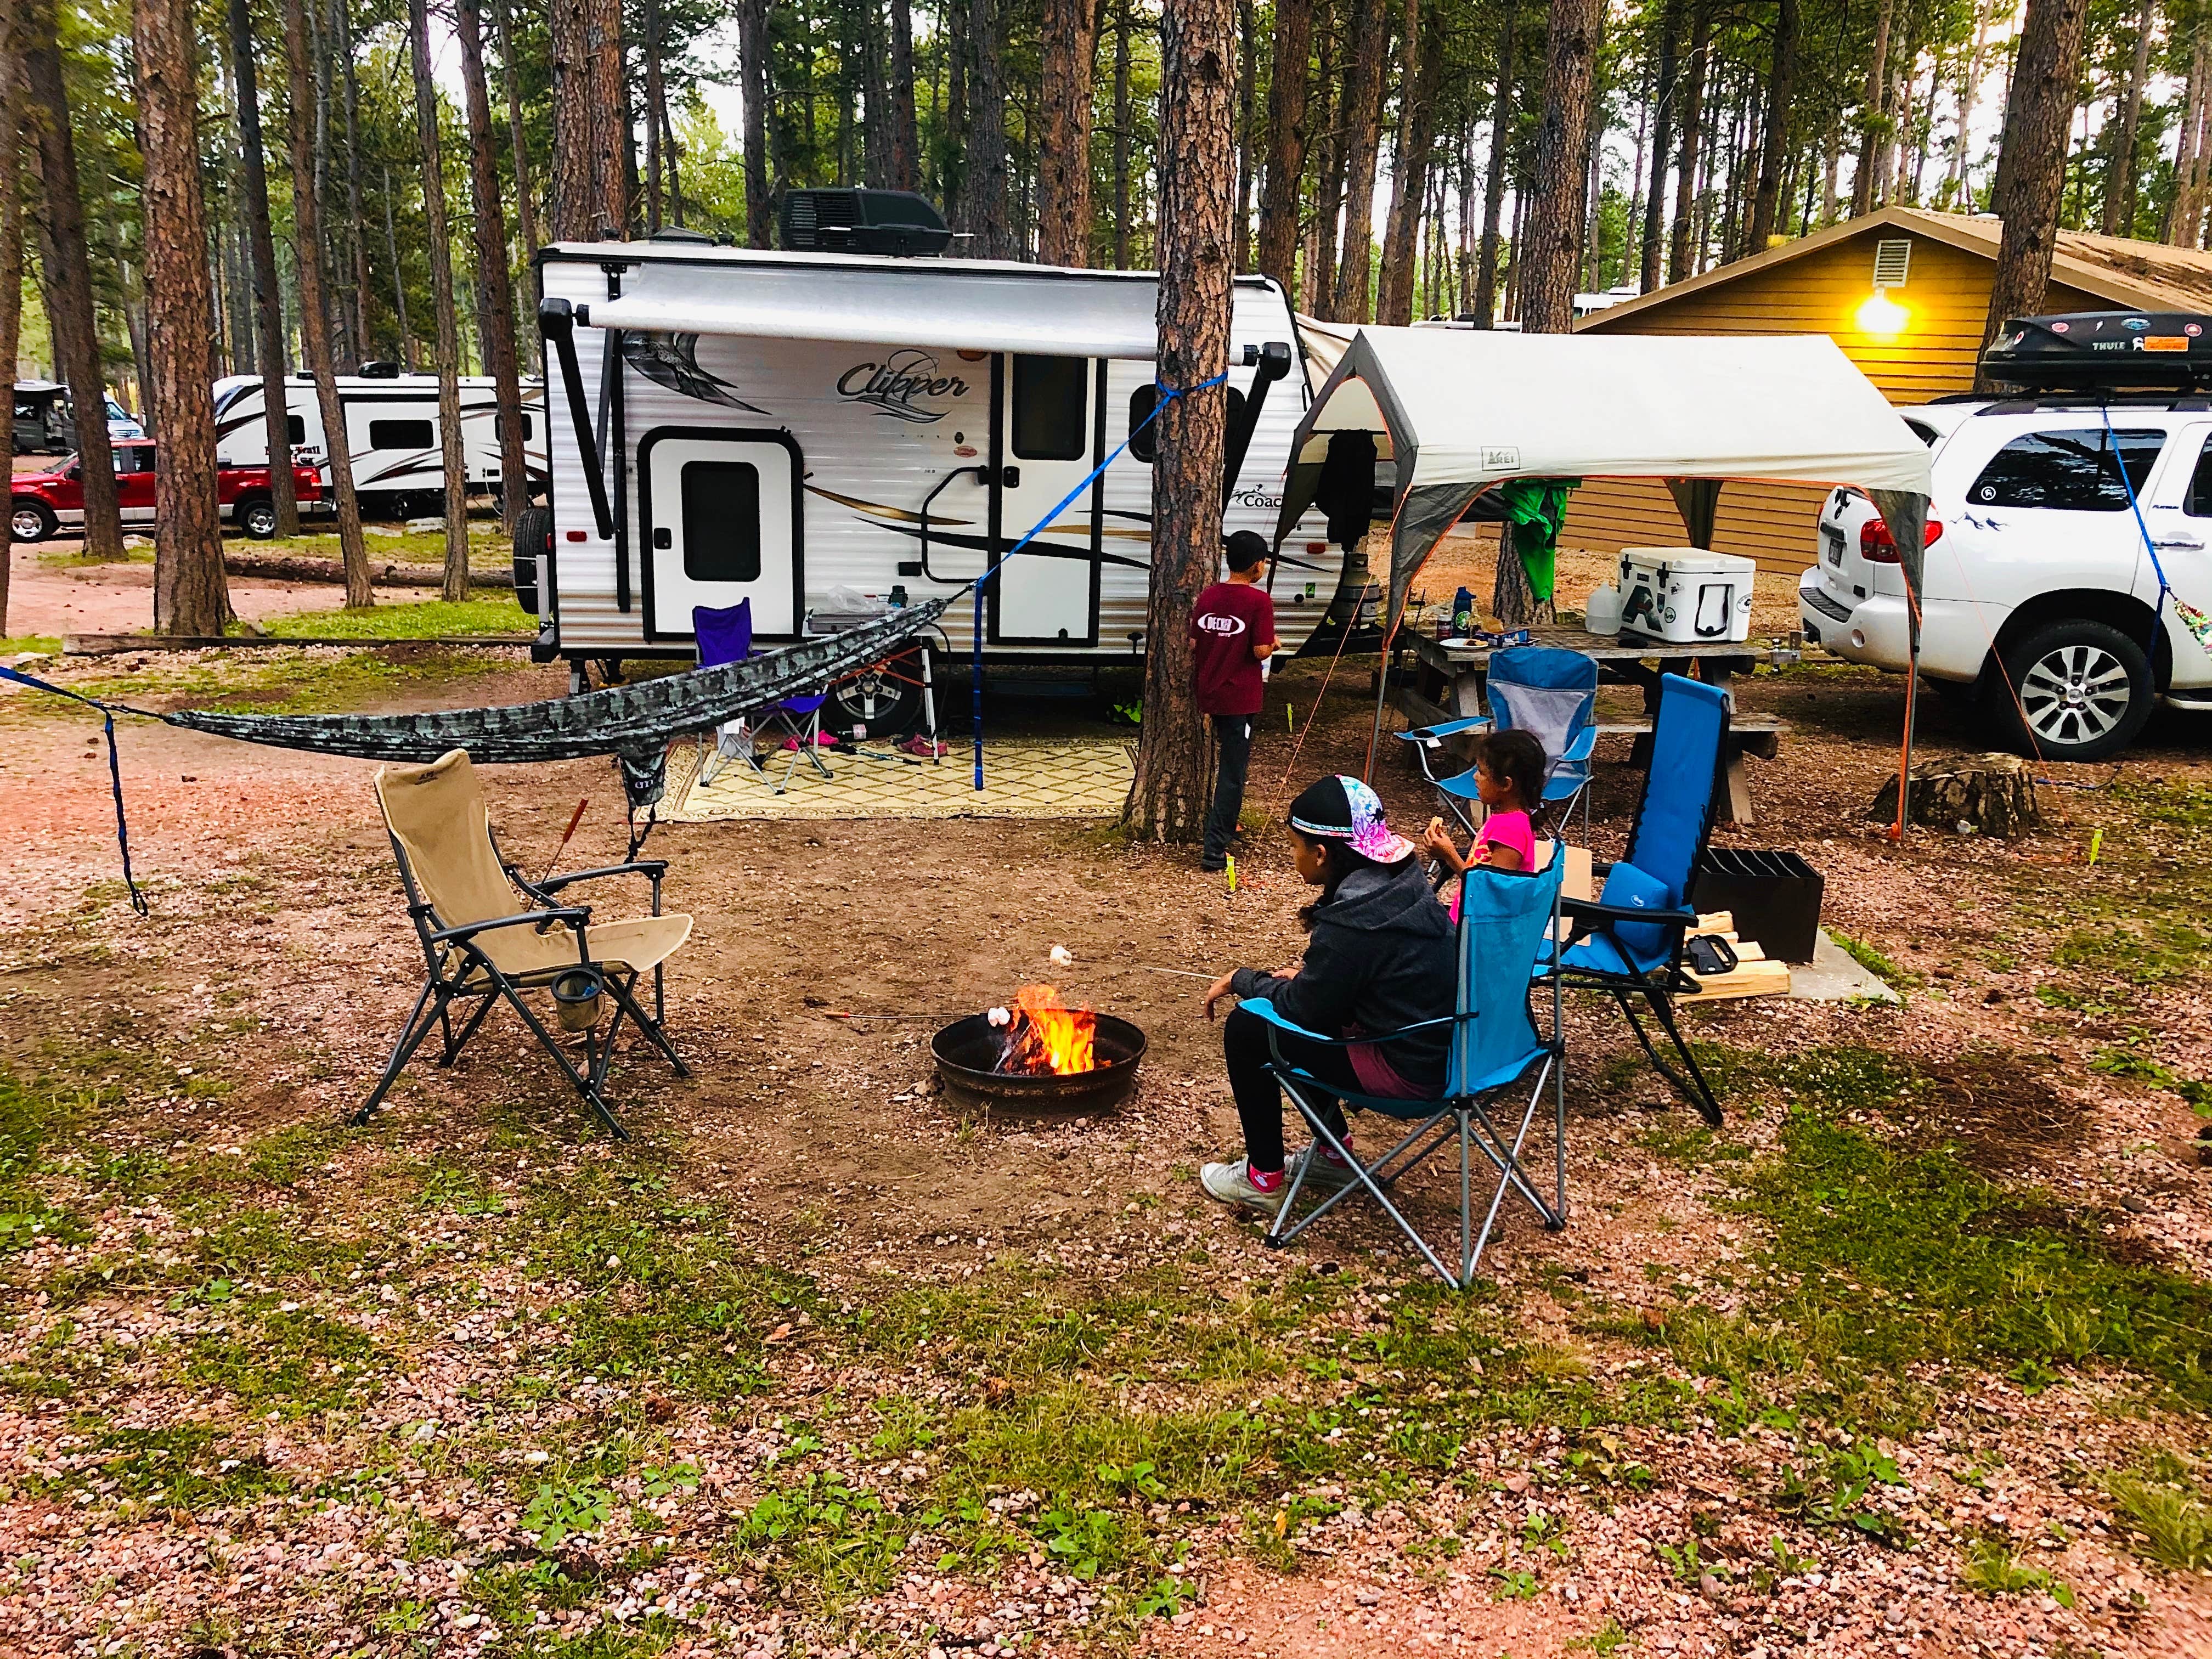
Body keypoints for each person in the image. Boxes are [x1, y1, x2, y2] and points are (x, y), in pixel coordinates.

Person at [1198, 775, 1457, 1213]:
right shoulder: (1401, 882)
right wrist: (1305, 981)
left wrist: (1243, 980)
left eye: (1294, 847)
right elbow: (1360, 977)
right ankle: (1333, 1156)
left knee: (1249, 1028)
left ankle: (1263, 1180)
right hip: (1450, 1049)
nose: (1293, 856)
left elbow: (1305, 1011)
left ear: (1321, 854)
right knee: (1295, 1010)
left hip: (1407, 1068)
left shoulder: (1356, 917)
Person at [1189, 530, 1279, 873]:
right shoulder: (1259, 601)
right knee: (1232, 774)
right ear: (1257, 565)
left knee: (1228, 769)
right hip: (1239, 699)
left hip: (1209, 692)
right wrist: (1275, 644)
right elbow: (1259, 650)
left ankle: (1222, 828)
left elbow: (1195, 643)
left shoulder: (1210, 594)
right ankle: (1214, 850)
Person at [1418, 728, 1546, 900]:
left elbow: (1492, 893)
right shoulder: (1506, 819)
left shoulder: (1511, 830)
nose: (1475, 777)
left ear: (1506, 785)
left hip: (1477, 926)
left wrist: (1450, 856)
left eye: (1482, 772)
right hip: (1467, 919)